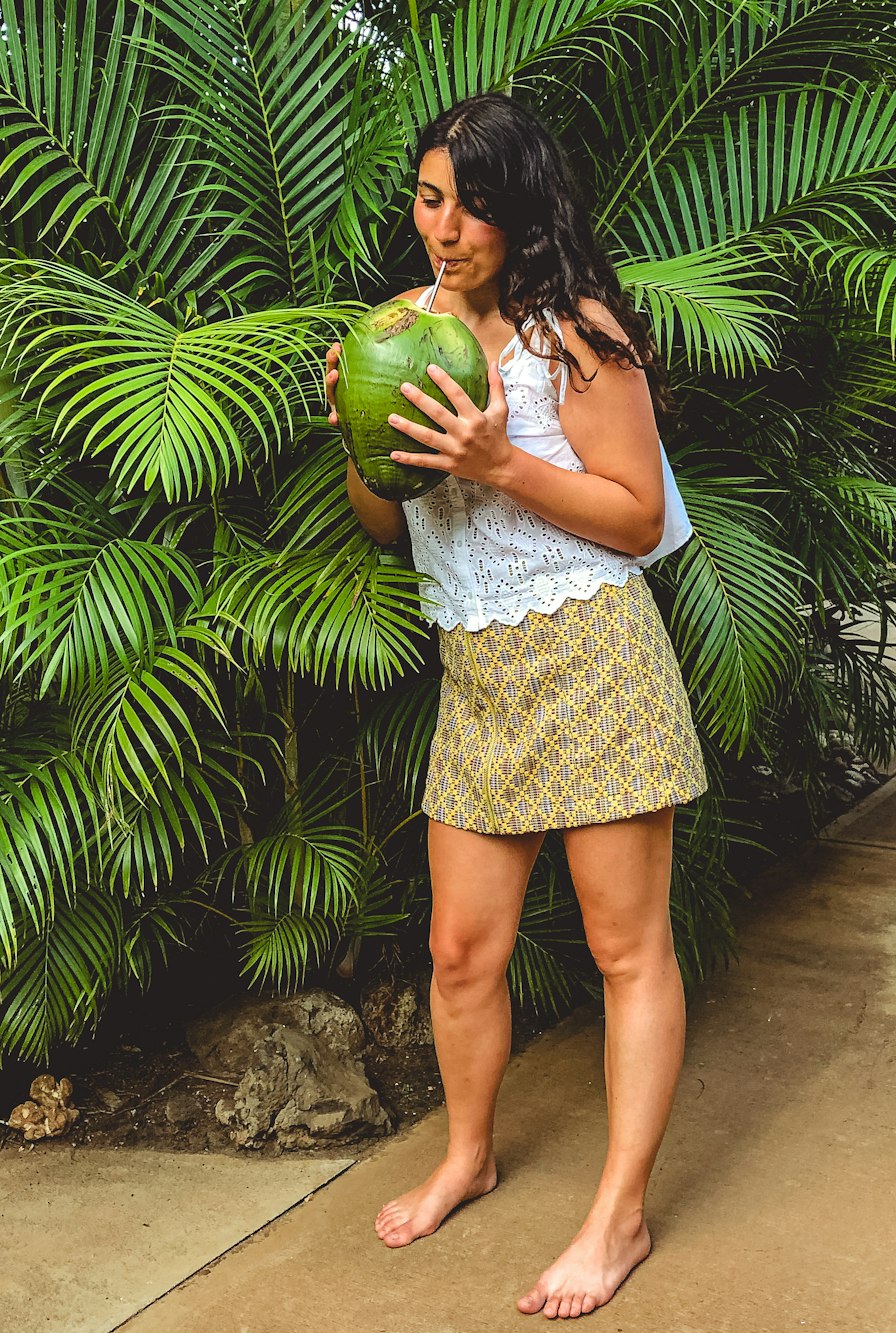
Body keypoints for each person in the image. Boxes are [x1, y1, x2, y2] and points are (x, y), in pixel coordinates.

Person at [325, 92, 707, 1322]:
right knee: (458, 953)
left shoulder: (574, 333)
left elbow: (639, 517)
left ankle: (620, 1213)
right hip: (478, 674)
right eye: (431, 198)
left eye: (473, 203)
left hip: (593, 660)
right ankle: (468, 1153)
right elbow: (387, 523)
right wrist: (357, 435)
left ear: (522, 205)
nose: (446, 228)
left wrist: (502, 463)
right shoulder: (407, 329)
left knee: (622, 949)